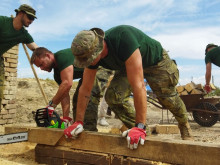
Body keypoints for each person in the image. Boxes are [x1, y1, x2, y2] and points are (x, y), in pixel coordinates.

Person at [64, 25, 194, 150]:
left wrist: (140, 125)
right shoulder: (91, 56)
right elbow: (85, 89)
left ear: (98, 48)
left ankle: (184, 124)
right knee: (114, 97)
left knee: (168, 99)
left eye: (89, 60)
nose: (89, 63)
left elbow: (139, 86)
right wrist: (78, 122)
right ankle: (143, 132)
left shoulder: (123, 39)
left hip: (156, 62)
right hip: (127, 65)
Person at [31, 47, 112, 130]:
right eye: (39, 67)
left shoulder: (61, 56)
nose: (41, 68)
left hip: (100, 66)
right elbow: (64, 95)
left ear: (48, 56)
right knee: (77, 100)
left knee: (88, 99)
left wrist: (51, 105)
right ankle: (78, 128)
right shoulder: (57, 74)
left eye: (41, 64)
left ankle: (90, 132)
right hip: (88, 73)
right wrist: (65, 118)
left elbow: (67, 84)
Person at [0, 4, 38, 108]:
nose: (31, 21)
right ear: (20, 13)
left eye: (33, 19)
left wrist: (51, 56)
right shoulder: (2, 21)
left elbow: (36, 49)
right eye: (30, 17)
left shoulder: (23, 34)